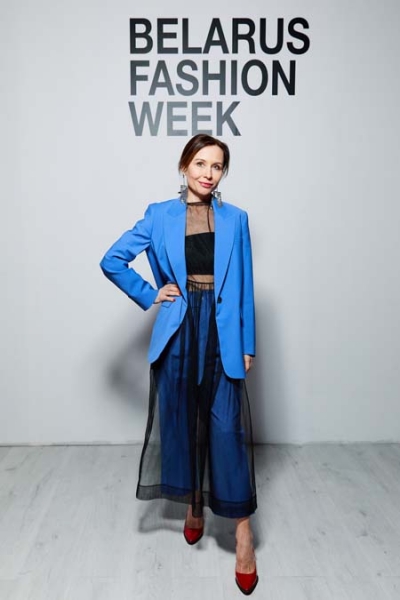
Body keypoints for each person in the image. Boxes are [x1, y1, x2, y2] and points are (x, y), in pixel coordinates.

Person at [100, 134, 258, 595]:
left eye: (217, 166)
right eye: (201, 163)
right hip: (180, 330)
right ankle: (193, 503)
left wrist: (247, 343)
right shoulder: (159, 215)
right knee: (182, 423)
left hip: (223, 334)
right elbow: (112, 260)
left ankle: (243, 535)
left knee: (226, 429)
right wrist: (152, 294)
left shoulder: (236, 219)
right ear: (184, 165)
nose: (208, 173)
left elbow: (245, 285)